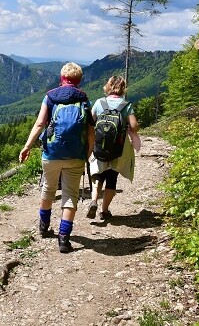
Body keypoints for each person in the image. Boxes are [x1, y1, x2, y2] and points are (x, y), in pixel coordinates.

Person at [19, 62, 94, 253]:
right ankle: (63, 239)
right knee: (70, 195)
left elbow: (39, 124)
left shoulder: (50, 97)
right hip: (75, 154)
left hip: (51, 153)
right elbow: (91, 131)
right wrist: (87, 153)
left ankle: (43, 226)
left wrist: (27, 146)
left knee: (48, 188)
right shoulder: (84, 99)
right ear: (79, 80)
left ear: (62, 78)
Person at [86, 75, 140, 221]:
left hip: (100, 146)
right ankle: (104, 211)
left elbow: (90, 125)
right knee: (111, 179)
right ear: (123, 88)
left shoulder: (99, 103)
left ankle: (94, 201)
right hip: (118, 149)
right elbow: (134, 126)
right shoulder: (126, 105)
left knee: (98, 176)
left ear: (108, 87)